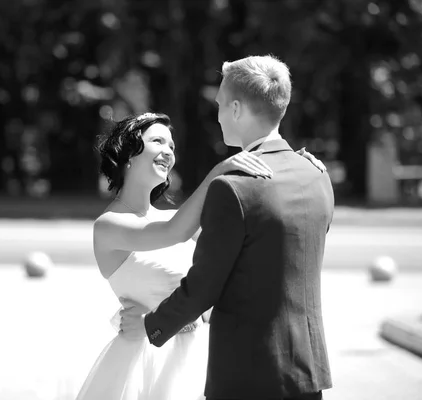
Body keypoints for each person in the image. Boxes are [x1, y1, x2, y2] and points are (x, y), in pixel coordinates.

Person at [120, 54, 334, 400]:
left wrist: (149, 326)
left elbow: (204, 285)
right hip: (308, 374)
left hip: (247, 376)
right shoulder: (318, 175)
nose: (217, 115)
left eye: (220, 105)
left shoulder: (232, 187)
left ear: (236, 110)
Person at [76, 110, 326, 400]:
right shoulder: (109, 226)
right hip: (147, 363)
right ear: (129, 153)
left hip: (200, 356)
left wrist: (299, 170)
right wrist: (220, 171)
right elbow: (173, 232)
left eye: (172, 146)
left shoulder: (178, 220)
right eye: (158, 141)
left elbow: (236, 246)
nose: (168, 152)